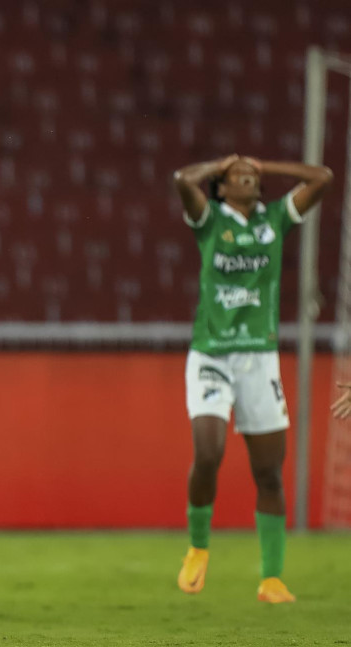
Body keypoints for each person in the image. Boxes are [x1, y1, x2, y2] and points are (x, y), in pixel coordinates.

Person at [172, 154, 332, 603]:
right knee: (209, 451)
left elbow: (323, 178)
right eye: (237, 175)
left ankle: (272, 578)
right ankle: (198, 548)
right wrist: (219, 165)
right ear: (221, 187)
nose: (248, 177)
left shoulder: (275, 219)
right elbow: (182, 180)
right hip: (211, 354)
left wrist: (265, 165)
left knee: (268, 473)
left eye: (252, 176)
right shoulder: (208, 221)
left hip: (259, 360)